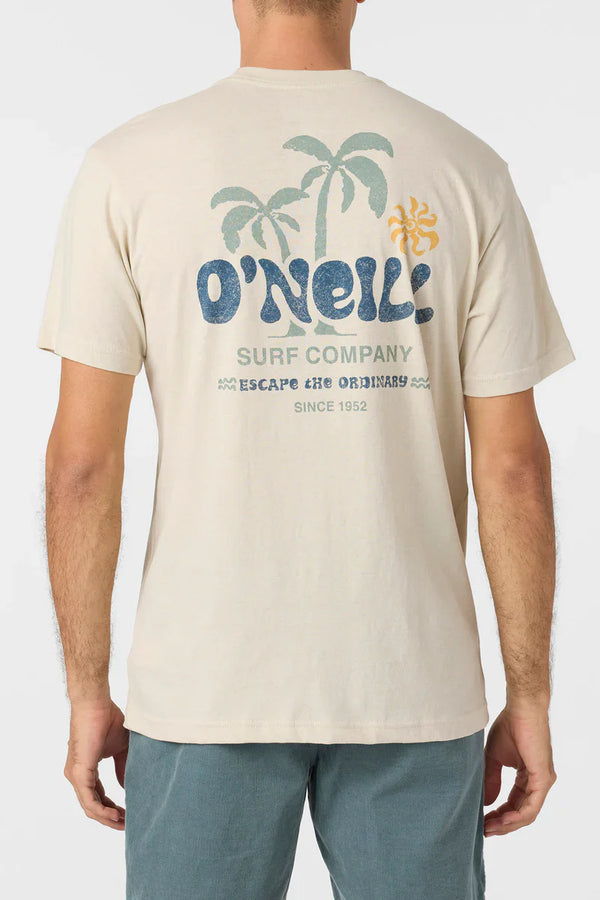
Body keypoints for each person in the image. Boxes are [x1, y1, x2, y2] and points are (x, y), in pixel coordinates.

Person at [37, 0, 576, 897]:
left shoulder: (128, 169)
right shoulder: (465, 168)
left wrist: (86, 689)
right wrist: (532, 695)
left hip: (205, 687)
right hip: (412, 683)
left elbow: (81, 468)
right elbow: (514, 470)